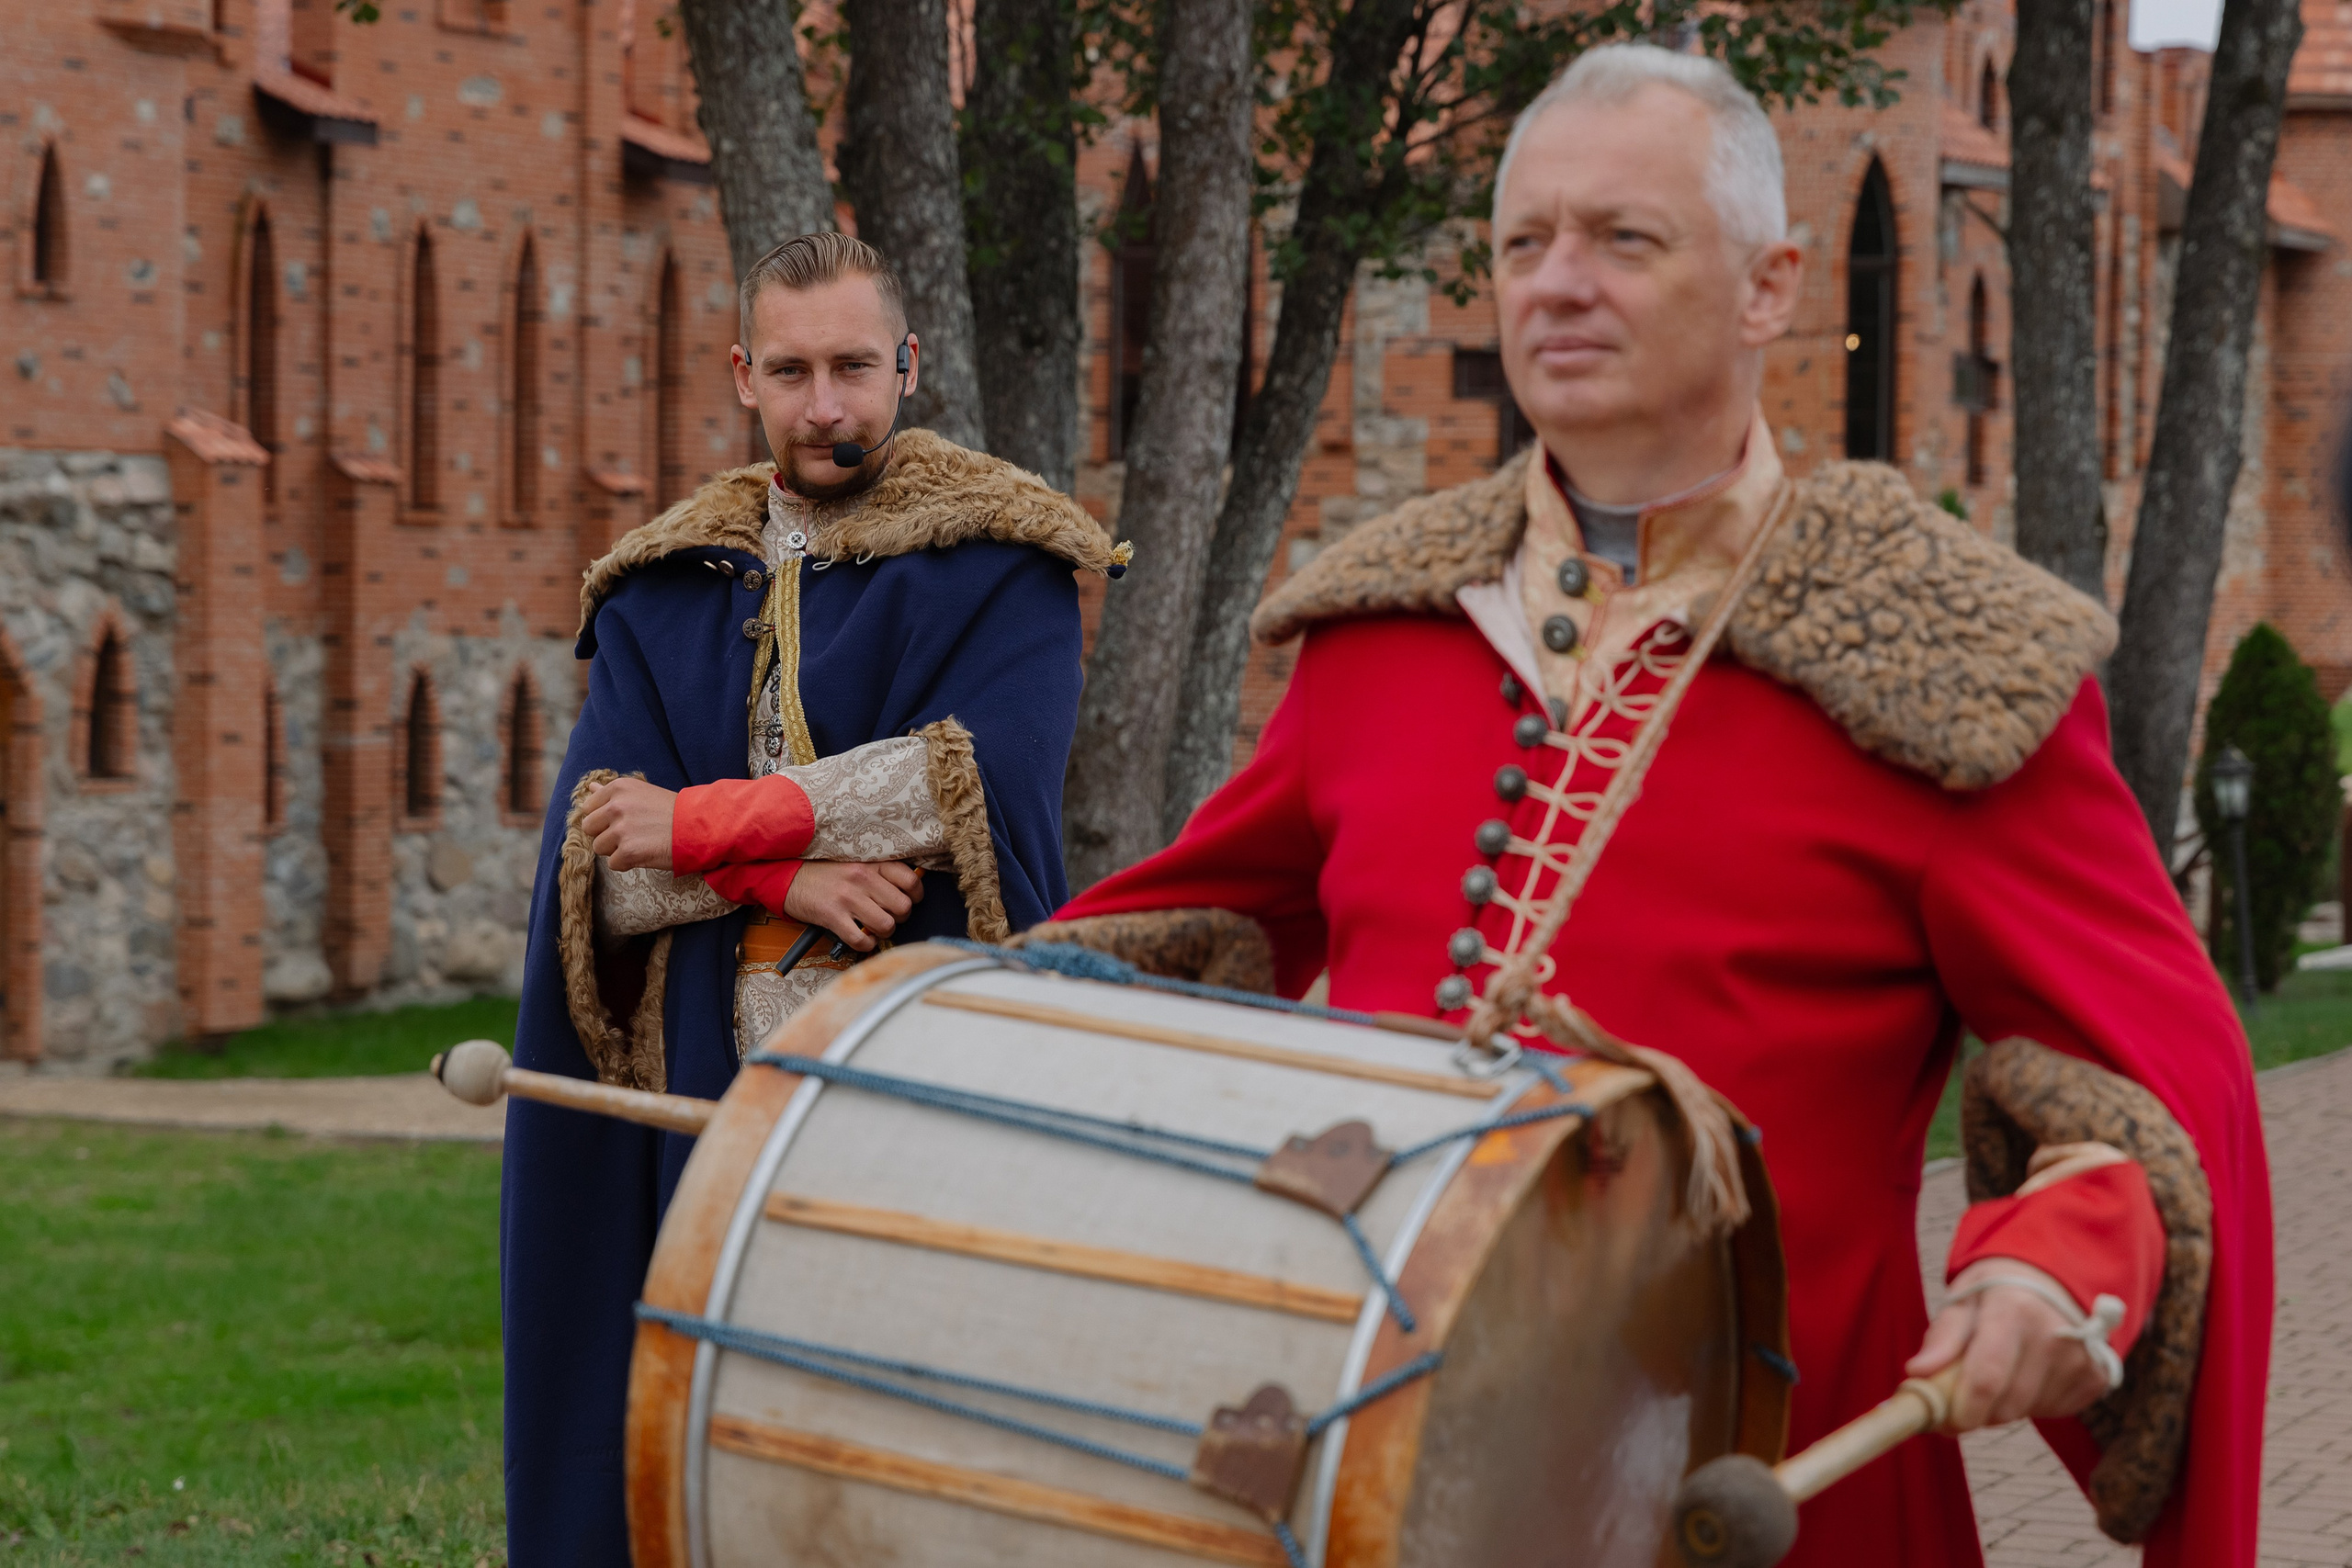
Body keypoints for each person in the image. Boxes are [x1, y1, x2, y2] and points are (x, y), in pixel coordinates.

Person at [1034, 45, 2267, 1568]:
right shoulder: (1383, 626)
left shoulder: (1951, 665)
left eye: (1625, 240)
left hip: (1774, 1499)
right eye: (1524, 243)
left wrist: (2049, 1265)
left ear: (1770, 285)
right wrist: (929, 1014)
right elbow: (1169, 931)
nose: (1559, 285)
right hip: (1391, 1480)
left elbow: (2149, 1092)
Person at [500, 231, 1123, 1566]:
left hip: (918, 1075)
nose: (825, 403)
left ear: (907, 362)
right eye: (791, 370)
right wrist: (783, 873)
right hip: (708, 1088)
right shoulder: (665, 587)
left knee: (900, 1434)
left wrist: (706, 822)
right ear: (744, 376)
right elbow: (594, 872)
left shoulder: (1005, 558)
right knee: (715, 1428)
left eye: (852, 365)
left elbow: (967, 784)